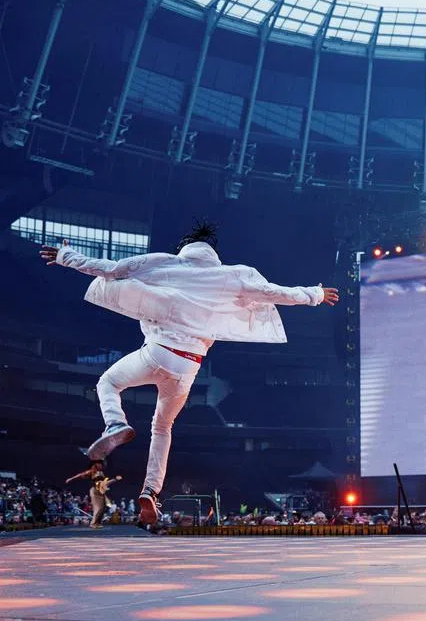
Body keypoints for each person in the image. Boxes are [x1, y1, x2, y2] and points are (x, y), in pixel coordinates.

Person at [40, 221, 338, 525]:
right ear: (213, 254)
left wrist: (67, 256)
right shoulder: (232, 275)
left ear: (185, 248)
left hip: (156, 351)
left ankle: (116, 423)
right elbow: (273, 292)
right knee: (163, 426)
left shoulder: (165, 263)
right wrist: (314, 294)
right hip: (189, 365)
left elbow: (112, 268)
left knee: (109, 382)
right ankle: (150, 491)